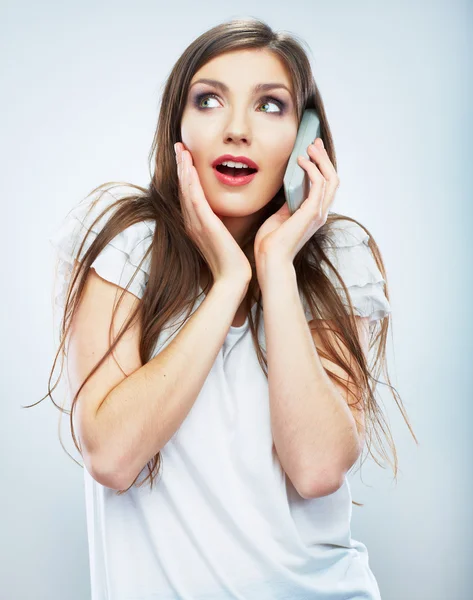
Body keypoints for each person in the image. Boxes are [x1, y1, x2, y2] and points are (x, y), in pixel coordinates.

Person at [39, 17, 417, 600]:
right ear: (178, 124)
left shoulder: (338, 258)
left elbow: (317, 469)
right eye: (209, 99)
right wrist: (229, 282)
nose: (237, 130)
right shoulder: (127, 242)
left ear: (304, 137)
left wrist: (275, 266)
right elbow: (112, 456)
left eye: (270, 106)